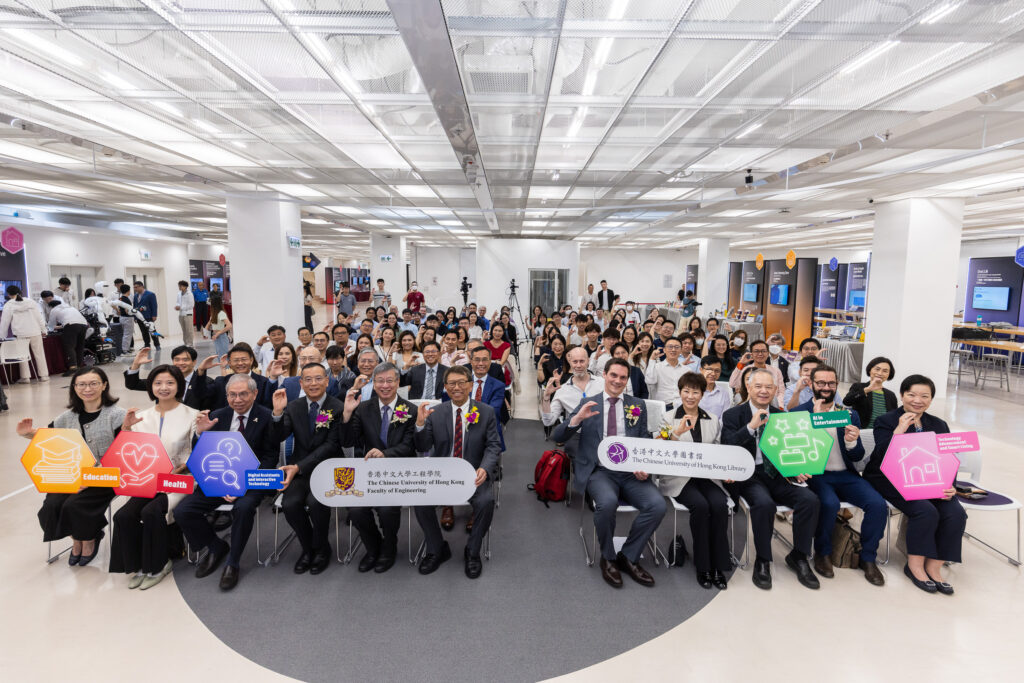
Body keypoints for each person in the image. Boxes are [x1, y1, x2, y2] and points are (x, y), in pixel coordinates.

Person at [553, 358, 664, 589]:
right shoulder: (589, 403)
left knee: (657, 505)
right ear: (604, 374)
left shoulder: (637, 405)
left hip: (630, 471)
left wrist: (644, 466)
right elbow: (558, 436)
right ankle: (608, 556)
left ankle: (629, 555)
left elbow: (643, 439)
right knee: (607, 503)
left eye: (623, 377)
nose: (618, 381)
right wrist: (577, 419)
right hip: (599, 470)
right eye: (613, 375)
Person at [863, 375, 965, 595]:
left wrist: (951, 485)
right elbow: (880, 457)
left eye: (924, 396)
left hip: (928, 479)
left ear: (931, 399)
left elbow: (948, 457)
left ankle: (934, 567)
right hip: (890, 479)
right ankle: (915, 566)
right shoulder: (887, 420)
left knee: (955, 512)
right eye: (912, 394)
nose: (917, 400)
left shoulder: (939, 424)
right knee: (925, 511)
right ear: (902, 395)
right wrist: (899, 431)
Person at [174, 374, 279, 590]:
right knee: (183, 511)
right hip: (217, 478)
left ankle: (233, 561)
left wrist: (241, 485)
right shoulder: (218, 416)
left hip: (251, 481)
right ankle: (215, 546)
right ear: (226, 395)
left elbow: (270, 458)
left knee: (243, 507)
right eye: (232, 394)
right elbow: (203, 453)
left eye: (243, 394)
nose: (237, 399)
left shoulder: (267, 417)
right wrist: (200, 433)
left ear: (255, 393)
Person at [721, 368, 820, 591]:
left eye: (769, 387)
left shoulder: (781, 416)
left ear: (776, 389)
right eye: (758, 386)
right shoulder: (732, 415)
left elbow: (791, 449)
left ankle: (799, 556)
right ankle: (763, 560)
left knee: (810, 500)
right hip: (748, 474)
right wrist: (750, 427)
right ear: (748, 387)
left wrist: (796, 468)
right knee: (764, 505)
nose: (764, 391)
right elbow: (727, 448)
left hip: (777, 474)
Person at [19, 367, 124, 566]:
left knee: (74, 505)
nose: (87, 389)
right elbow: (50, 438)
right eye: (81, 384)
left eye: (93, 383)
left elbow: (122, 453)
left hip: (107, 476)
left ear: (104, 385)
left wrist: (91, 476)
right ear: (74, 388)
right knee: (51, 507)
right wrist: (28, 433)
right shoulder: (67, 417)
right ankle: (77, 538)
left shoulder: (117, 415)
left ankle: (90, 538)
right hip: (71, 475)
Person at [110, 365, 199, 589]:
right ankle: (136, 564)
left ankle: (159, 564)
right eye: (158, 383)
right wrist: (126, 429)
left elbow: (200, 453)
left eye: (170, 382)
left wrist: (185, 466)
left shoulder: (193, 415)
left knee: (151, 511)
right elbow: (127, 450)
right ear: (151, 387)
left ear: (179, 385)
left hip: (178, 480)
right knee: (123, 515)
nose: (164, 387)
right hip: (147, 481)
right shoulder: (140, 417)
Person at [796, 365, 886, 586]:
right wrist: (813, 423)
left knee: (877, 504)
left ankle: (867, 558)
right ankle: (823, 552)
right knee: (829, 503)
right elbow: (798, 453)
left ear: (837, 385)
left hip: (847, 474)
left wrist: (851, 441)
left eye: (831, 383)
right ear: (811, 384)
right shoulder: (798, 414)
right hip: (817, 475)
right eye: (821, 383)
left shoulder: (848, 414)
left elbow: (857, 455)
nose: (826, 388)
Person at [414, 365, 501, 578]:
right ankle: (436, 548)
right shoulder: (436, 413)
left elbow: (493, 446)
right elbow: (423, 446)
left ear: (470, 385)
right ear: (445, 387)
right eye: (452, 383)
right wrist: (419, 424)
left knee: (486, 501)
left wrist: (485, 468)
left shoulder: (485, 411)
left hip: (472, 474)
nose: (457, 387)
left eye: (462, 382)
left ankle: (472, 551)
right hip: (442, 474)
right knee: (420, 501)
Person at [340, 363, 417, 573]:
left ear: (398, 382)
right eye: (380, 381)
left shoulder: (410, 409)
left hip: (397, 473)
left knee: (386, 509)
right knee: (355, 509)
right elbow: (348, 440)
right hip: (370, 472)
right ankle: (373, 547)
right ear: (373, 384)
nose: (385, 385)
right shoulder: (364, 408)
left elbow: (410, 445)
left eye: (389, 380)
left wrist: (386, 454)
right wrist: (347, 414)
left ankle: (389, 548)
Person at [657, 372, 730, 589]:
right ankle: (703, 566)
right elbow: (659, 449)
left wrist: (726, 471)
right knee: (700, 505)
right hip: (679, 476)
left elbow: (718, 451)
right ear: (679, 393)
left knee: (719, 505)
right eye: (686, 391)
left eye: (695, 391)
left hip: (706, 476)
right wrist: (676, 433)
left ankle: (718, 566)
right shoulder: (668, 417)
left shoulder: (713, 419)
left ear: (702, 393)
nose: (690, 396)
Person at [272, 363, 345, 575]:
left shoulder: (337, 407)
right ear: (301, 383)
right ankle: (308, 548)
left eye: (318, 378)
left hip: (328, 467)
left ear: (327, 381)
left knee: (316, 502)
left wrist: (298, 466)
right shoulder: (293, 406)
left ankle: (321, 548)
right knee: (290, 503)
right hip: (300, 470)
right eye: (308, 379)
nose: (313, 384)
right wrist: (277, 413)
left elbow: (331, 445)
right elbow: (277, 437)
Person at [124, 345, 210, 411]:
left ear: (194, 362)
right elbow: (132, 384)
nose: (180, 363)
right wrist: (136, 364)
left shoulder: (207, 382)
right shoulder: (163, 380)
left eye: (185, 360)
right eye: (177, 359)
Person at [540, 347, 604, 427]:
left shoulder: (602, 383)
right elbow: (548, 421)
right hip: (575, 435)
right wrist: (546, 396)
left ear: (588, 361)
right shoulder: (562, 390)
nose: (578, 365)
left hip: (600, 432)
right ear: (570, 362)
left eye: (582, 361)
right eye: (575, 362)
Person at [196, 343, 269, 411]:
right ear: (229, 363)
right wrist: (201, 370)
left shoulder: (264, 382)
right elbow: (201, 394)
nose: (240, 363)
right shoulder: (221, 382)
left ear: (251, 360)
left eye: (243, 359)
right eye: (236, 360)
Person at [1, 285, 49, 383]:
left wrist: (2, 336)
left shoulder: (9, 305)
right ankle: (44, 376)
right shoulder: (31, 302)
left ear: (9, 294)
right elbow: (39, 317)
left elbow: (5, 322)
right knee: (39, 354)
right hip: (35, 332)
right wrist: (44, 330)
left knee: (23, 355)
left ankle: (25, 377)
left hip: (20, 333)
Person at [843, 357, 898, 429]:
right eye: (877, 369)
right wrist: (867, 390)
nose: (880, 373)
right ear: (870, 370)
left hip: (882, 432)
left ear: (889, 374)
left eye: (885, 371)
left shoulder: (891, 395)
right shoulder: (859, 387)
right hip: (860, 431)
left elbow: (893, 417)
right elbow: (846, 401)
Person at [728, 340, 784, 404]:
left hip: (772, 404)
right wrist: (741, 363)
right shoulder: (746, 370)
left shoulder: (776, 371)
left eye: (763, 351)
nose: (760, 354)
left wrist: (779, 405)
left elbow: (781, 391)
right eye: (756, 351)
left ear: (768, 353)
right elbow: (732, 384)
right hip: (750, 404)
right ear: (751, 353)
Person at [47, 299, 88, 377]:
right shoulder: (71, 307)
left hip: (71, 325)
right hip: (84, 324)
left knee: (70, 347)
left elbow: (51, 325)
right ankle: (79, 367)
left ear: (51, 306)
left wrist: (49, 329)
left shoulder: (54, 310)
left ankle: (72, 367)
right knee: (80, 347)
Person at [644, 336, 691, 404]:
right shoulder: (656, 367)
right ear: (664, 350)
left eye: (677, 347)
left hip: (681, 405)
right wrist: (652, 359)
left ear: (681, 350)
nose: (673, 350)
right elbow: (649, 381)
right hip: (662, 406)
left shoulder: (687, 370)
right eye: (670, 347)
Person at [132, 281, 160, 349]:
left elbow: (154, 305)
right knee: (143, 332)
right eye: (134, 287)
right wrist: (135, 317)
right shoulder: (135, 296)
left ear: (141, 286)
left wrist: (154, 315)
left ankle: (157, 345)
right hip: (139, 317)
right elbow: (135, 306)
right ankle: (147, 344)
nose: (135, 289)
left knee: (152, 331)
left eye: (136, 287)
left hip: (148, 316)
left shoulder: (150, 294)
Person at [116, 284, 135, 355]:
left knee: (124, 334)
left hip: (122, 317)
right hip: (128, 318)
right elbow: (127, 310)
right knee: (128, 334)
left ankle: (125, 349)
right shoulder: (126, 299)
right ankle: (125, 350)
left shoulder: (120, 298)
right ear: (128, 290)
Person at [175, 280, 194, 346]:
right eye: (179, 286)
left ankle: (190, 343)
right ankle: (185, 342)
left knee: (189, 330)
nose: (179, 287)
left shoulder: (190, 294)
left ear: (185, 286)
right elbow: (178, 302)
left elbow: (191, 305)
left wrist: (181, 308)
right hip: (181, 314)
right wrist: (177, 306)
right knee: (184, 330)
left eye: (180, 286)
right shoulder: (179, 293)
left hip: (188, 314)